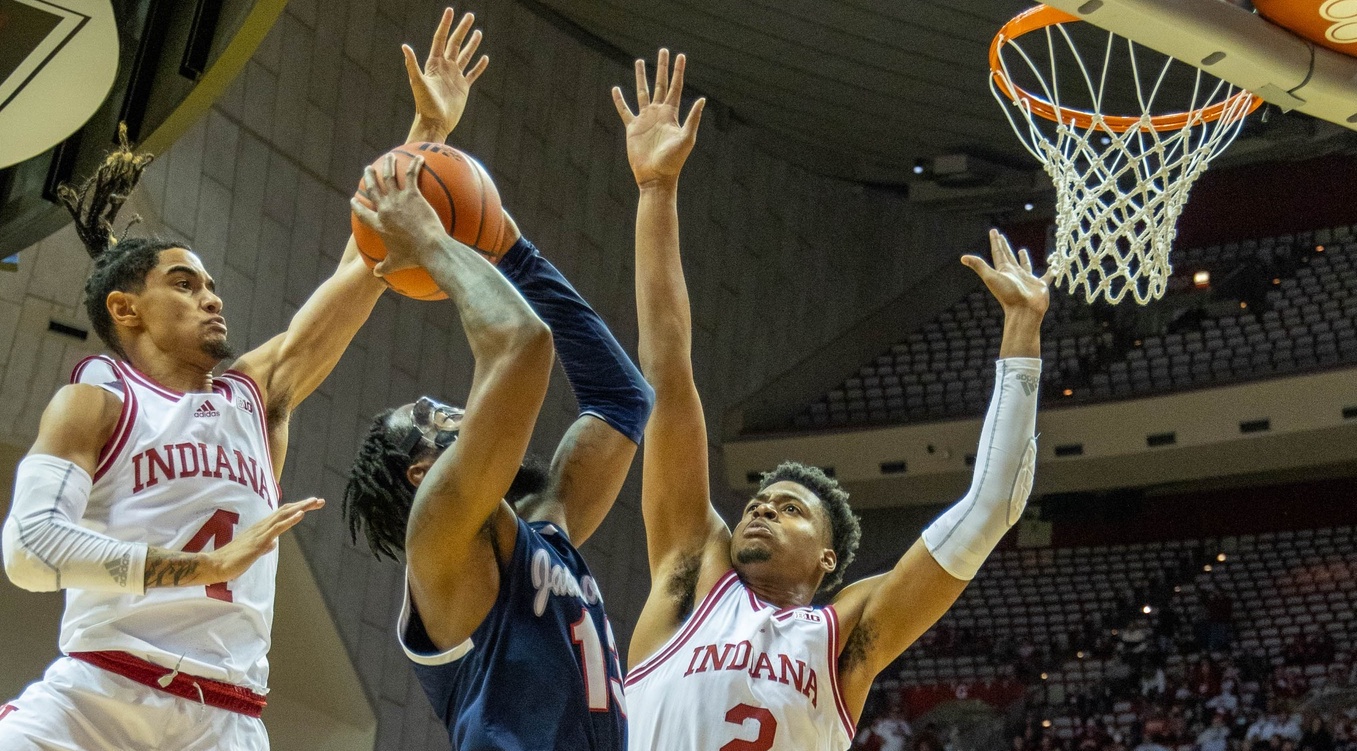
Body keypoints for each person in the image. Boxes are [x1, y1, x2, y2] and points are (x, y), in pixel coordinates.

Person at [0, 9, 486, 750]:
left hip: (225, 720)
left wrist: (426, 133)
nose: (212, 296)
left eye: (213, 284)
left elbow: (363, 265)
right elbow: (31, 550)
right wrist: (202, 566)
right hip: (98, 696)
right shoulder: (98, 399)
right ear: (125, 307)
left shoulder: (255, 397)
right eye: (185, 283)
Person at [612, 50, 1050, 750]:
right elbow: (667, 371)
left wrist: (1021, 335)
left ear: (825, 559)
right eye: (761, 497)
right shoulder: (690, 574)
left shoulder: (843, 636)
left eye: (790, 508)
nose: (759, 505)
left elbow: (992, 505)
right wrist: (656, 189)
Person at [340, 28, 653, 751]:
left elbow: (620, 402)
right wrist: (434, 242)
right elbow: (521, 344)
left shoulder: (545, 527)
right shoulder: (439, 533)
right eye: (428, 417)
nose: (449, 406)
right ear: (422, 470)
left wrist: (512, 245)